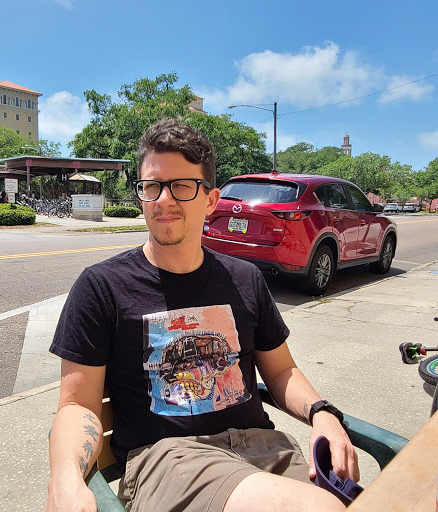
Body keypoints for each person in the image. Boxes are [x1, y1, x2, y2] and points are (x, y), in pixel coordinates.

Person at [46, 119, 358, 512]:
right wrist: (66, 477)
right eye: (152, 186)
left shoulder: (245, 279)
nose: (163, 199)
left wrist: (322, 413)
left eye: (181, 186)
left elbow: (281, 371)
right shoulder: (101, 287)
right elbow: (77, 406)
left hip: (264, 450)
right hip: (169, 461)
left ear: (211, 200)